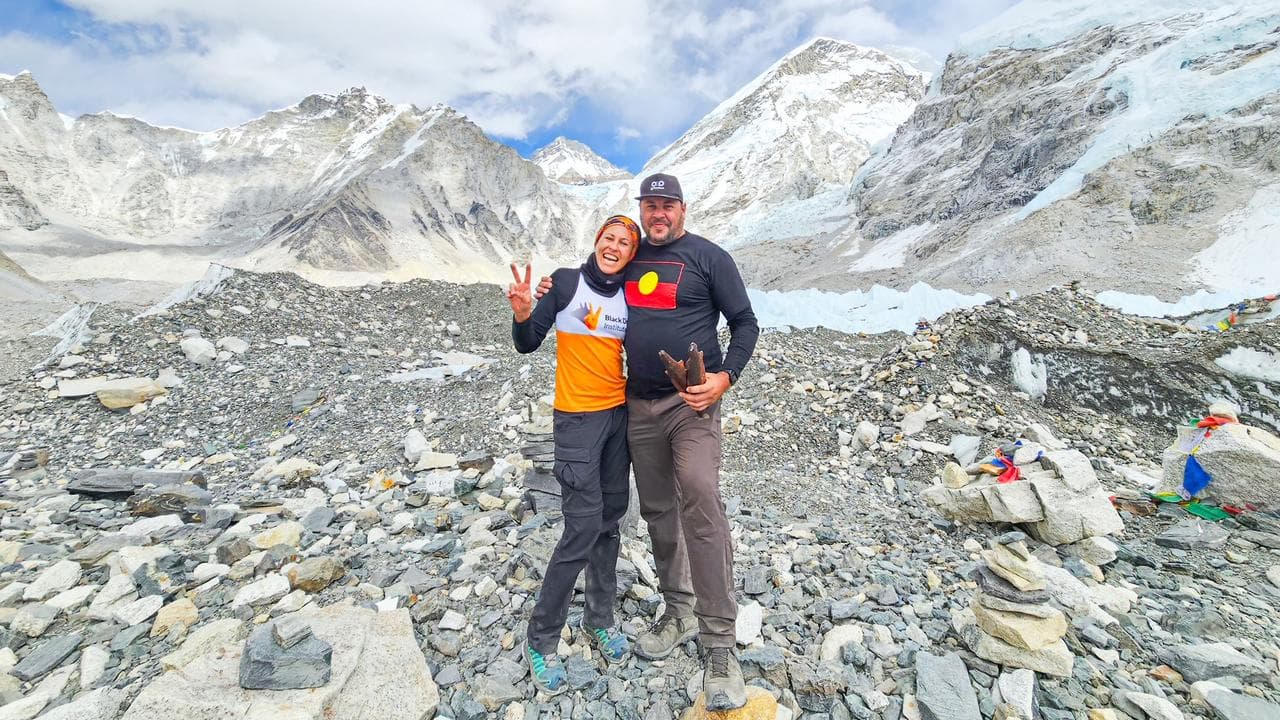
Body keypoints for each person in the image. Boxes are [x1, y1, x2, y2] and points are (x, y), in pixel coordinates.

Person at [537, 173, 759, 710]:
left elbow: (745, 322)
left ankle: (719, 641)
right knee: (658, 510)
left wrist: (724, 377)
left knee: (701, 497)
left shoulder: (710, 258)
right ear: (641, 209)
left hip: (691, 403)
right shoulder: (629, 257)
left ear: (683, 208)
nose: (658, 214)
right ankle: (678, 609)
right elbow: (590, 285)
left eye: (667, 205)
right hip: (635, 405)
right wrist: (548, 290)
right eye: (649, 205)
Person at [507, 215, 641, 695]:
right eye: (609, 237)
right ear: (597, 242)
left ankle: (598, 619)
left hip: (616, 420)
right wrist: (524, 312)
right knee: (582, 525)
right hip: (577, 423)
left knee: (610, 521)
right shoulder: (565, 284)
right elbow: (527, 344)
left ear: (632, 253)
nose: (615, 246)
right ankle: (541, 638)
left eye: (625, 242)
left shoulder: (632, 295)